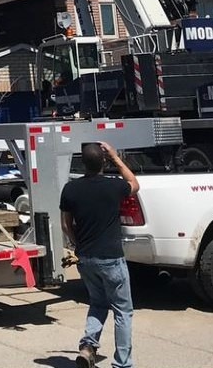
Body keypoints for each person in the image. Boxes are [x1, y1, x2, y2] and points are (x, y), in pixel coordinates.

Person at [60, 140, 139, 368]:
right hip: (112, 258)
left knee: (98, 303)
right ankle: (122, 363)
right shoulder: (114, 186)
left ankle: (87, 347)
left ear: (83, 163)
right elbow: (134, 183)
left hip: (86, 259)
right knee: (123, 311)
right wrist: (115, 156)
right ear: (103, 161)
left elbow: (66, 225)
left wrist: (79, 244)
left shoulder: (70, 189)